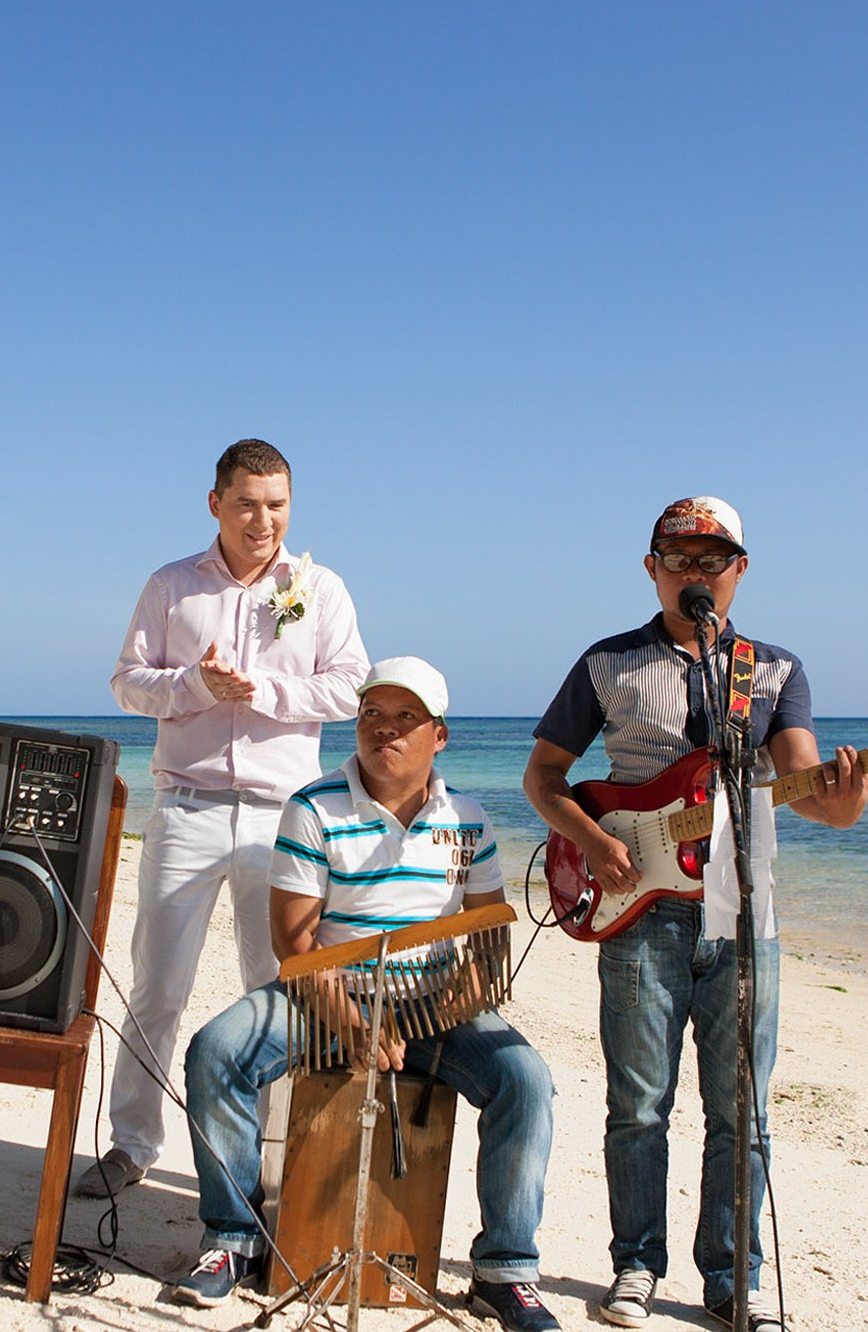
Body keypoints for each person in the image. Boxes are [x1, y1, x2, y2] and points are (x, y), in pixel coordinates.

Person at [521, 497, 868, 1332]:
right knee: (638, 1104)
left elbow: (806, 790)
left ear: (740, 571)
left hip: (744, 915)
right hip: (638, 909)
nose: (696, 572)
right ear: (651, 567)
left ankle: (731, 1278)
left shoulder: (773, 670)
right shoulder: (607, 662)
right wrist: (592, 840)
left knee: (740, 1109)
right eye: (679, 556)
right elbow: (543, 777)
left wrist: (848, 799)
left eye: (714, 559)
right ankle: (637, 1265)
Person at [177, 658, 560, 1332]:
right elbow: (295, 945)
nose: (384, 729)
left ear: (438, 736)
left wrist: (435, 1016)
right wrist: (355, 1023)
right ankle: (231, 1238)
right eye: (371, 714)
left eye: (404, 717)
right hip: (325, 998)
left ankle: (505, 1270)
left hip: (435, 1005)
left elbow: (488, 944)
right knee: (216, 1050)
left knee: (525, 1077)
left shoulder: (468, 821)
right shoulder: (313, 807)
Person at [77, 439, 368, 1198]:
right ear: (215, 503)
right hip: (186, 808)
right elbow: (127, 683)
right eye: (246, 503)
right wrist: (197, 685)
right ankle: (131, 1144)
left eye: (276, 505)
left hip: (285, 819)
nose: (261, 519)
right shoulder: (172, 586)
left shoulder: (321, 588)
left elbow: (351, 687)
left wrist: (265, 692)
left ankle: (272, 1168)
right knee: (156, 984)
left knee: (276, 990)